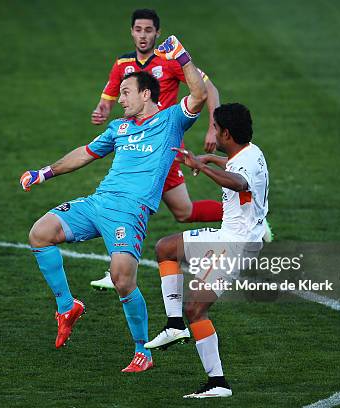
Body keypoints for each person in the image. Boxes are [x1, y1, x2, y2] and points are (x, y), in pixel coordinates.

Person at [21, 36, 207, 373]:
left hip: (129, 212)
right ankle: (67, 307)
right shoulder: (118, 127)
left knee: (123, 280)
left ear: (146, 94)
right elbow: (85, 153)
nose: (119, 99)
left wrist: (181, 57)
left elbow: (199, 94)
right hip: (98, 203)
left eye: (126, 93)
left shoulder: (170, 122)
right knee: (40, 233)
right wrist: (44, 173)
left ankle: (142, 351)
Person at [89, 9, 272, 292]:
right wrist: (102, 109)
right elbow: (111, 96)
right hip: (137, 148)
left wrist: (213, 126)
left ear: (157, 33)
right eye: (138, 29)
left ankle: (120, 268)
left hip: (164, 150)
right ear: (131, 31)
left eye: (148, 30)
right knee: (182, 212)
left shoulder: (168, 61)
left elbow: (207, 89)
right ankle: (250, 223)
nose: (143, 35)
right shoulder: (123, 64)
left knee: (131, 201)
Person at [146, 103, 268, 397]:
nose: (212, 132)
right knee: (166, 248)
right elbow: (236, 168)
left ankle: (218, 383)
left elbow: (239, 181)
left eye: (215, 128)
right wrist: (212, 158)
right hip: (232, 237)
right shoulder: (252, 152)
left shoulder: (243, 166)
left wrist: (202, 167)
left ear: (226, 132)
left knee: (196, 309)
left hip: (233, 244)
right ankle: (174, 325)